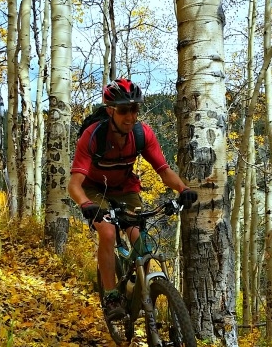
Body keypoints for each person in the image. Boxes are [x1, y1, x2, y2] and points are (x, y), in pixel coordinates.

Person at [68, 78, 198, 321]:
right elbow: (74, 184)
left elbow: (164, 170)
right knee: (107, 233)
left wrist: (183, 189)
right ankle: (110, 296)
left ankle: (135, 292)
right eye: (124, 110)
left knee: (142, 243)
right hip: (96, 190)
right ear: (110, 111)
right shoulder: (92, 136)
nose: (130, 117)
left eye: (135, 109)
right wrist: (86, 204)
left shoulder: (141, 133)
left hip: (126, 188)